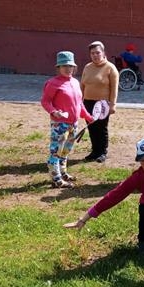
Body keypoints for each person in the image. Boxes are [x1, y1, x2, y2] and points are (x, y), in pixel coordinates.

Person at [41, 51, 94, 188]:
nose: (68, 68)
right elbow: (45, 101)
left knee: (66, 150)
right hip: (60, 124)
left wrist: (87, 116)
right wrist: (54, 112)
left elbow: (79, 103)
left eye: (70, 66)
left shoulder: (75, 82)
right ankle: (56, 178)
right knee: (56, 150)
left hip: (73, 124)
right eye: (64, 66)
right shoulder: (53, 83)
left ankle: (63, 172)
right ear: (58, 67)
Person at [80, 40, 119, 163]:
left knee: (101, 128)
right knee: (91, 127)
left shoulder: (110, 68)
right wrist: (79, 102)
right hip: (88, 102)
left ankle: (102, 152)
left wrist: (113, 104)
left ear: (103, 53)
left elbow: (114, 88)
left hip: (103, 104)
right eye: (92, 53)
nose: (95, 55)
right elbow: (82, 85)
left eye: (97, 52)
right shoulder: (87, 67)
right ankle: (94, 151)